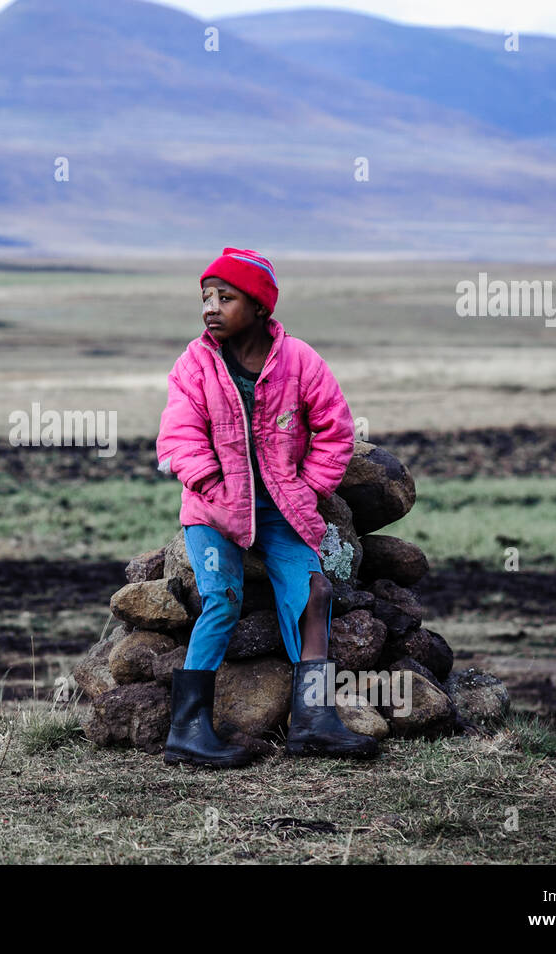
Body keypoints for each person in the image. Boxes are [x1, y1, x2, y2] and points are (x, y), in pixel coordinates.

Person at [155, 247, 378, 767]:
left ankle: (313, 722)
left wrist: (308, 489)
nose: (211, 306)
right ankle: (187, 731)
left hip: (282, 509)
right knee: (222, 598)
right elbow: (179, 435)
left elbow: (335, 430)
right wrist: (212, 482)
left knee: (313, 590)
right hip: (214, 510)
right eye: (206, 296)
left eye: (225, 297)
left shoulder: (299, 360)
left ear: (259, 306)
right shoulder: (195, 363)